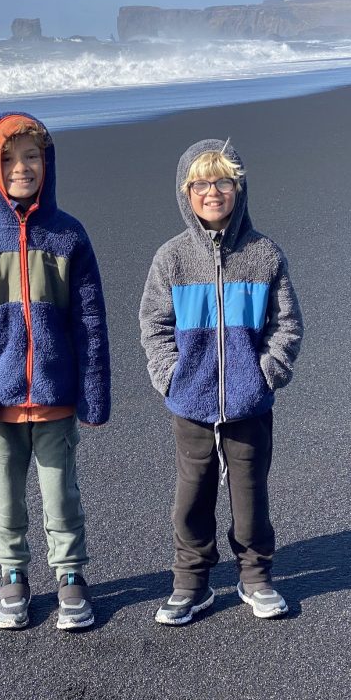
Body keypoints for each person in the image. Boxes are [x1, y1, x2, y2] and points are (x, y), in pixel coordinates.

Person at [0, 111, 111, 631]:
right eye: (9, 158)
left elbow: (89, 321)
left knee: (61, 492)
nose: (21, 167)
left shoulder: (67, 235)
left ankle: (70, 576)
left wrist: (93, 393)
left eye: (32, 156)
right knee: (5, 496)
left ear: (47, 162)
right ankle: (13, 574)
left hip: (56, 394)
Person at [139, 138, 303, 625]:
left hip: (250, 405)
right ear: (185, 192)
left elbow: (287, 324)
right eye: (201, 183)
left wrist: (266, 375)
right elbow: (154, 326)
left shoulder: (264, 254)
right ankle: (191, 583)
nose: (213, 192)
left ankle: (255, 576)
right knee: (192, 493)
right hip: (190, 402)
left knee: (250, 492)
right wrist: (172, 380)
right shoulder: (170, 259)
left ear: (239, 187)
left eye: (223, 181)